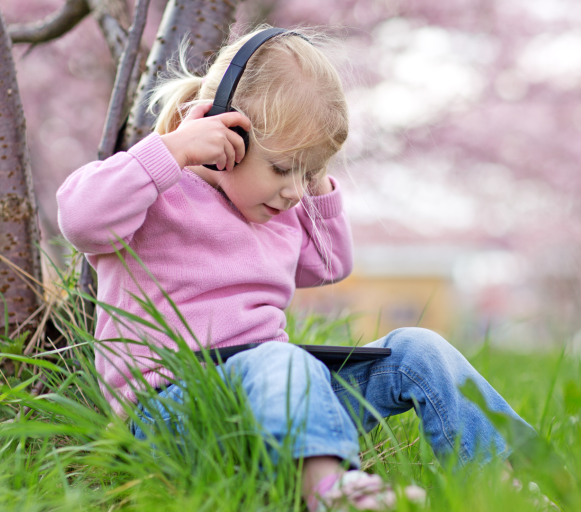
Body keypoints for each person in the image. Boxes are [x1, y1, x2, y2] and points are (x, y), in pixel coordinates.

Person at [57, 25, 534, 512]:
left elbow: (330, 264)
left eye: (307, 174)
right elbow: (80, 219)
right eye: (284, 168)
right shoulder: (159, 191)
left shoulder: (275, 209)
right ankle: (330, 492)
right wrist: (172, 150)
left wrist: (315, 177)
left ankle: (502, 481)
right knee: (282, 360)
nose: (295, 192)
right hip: (174, 413)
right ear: (227, 131)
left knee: (419, 349)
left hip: (282, 399)